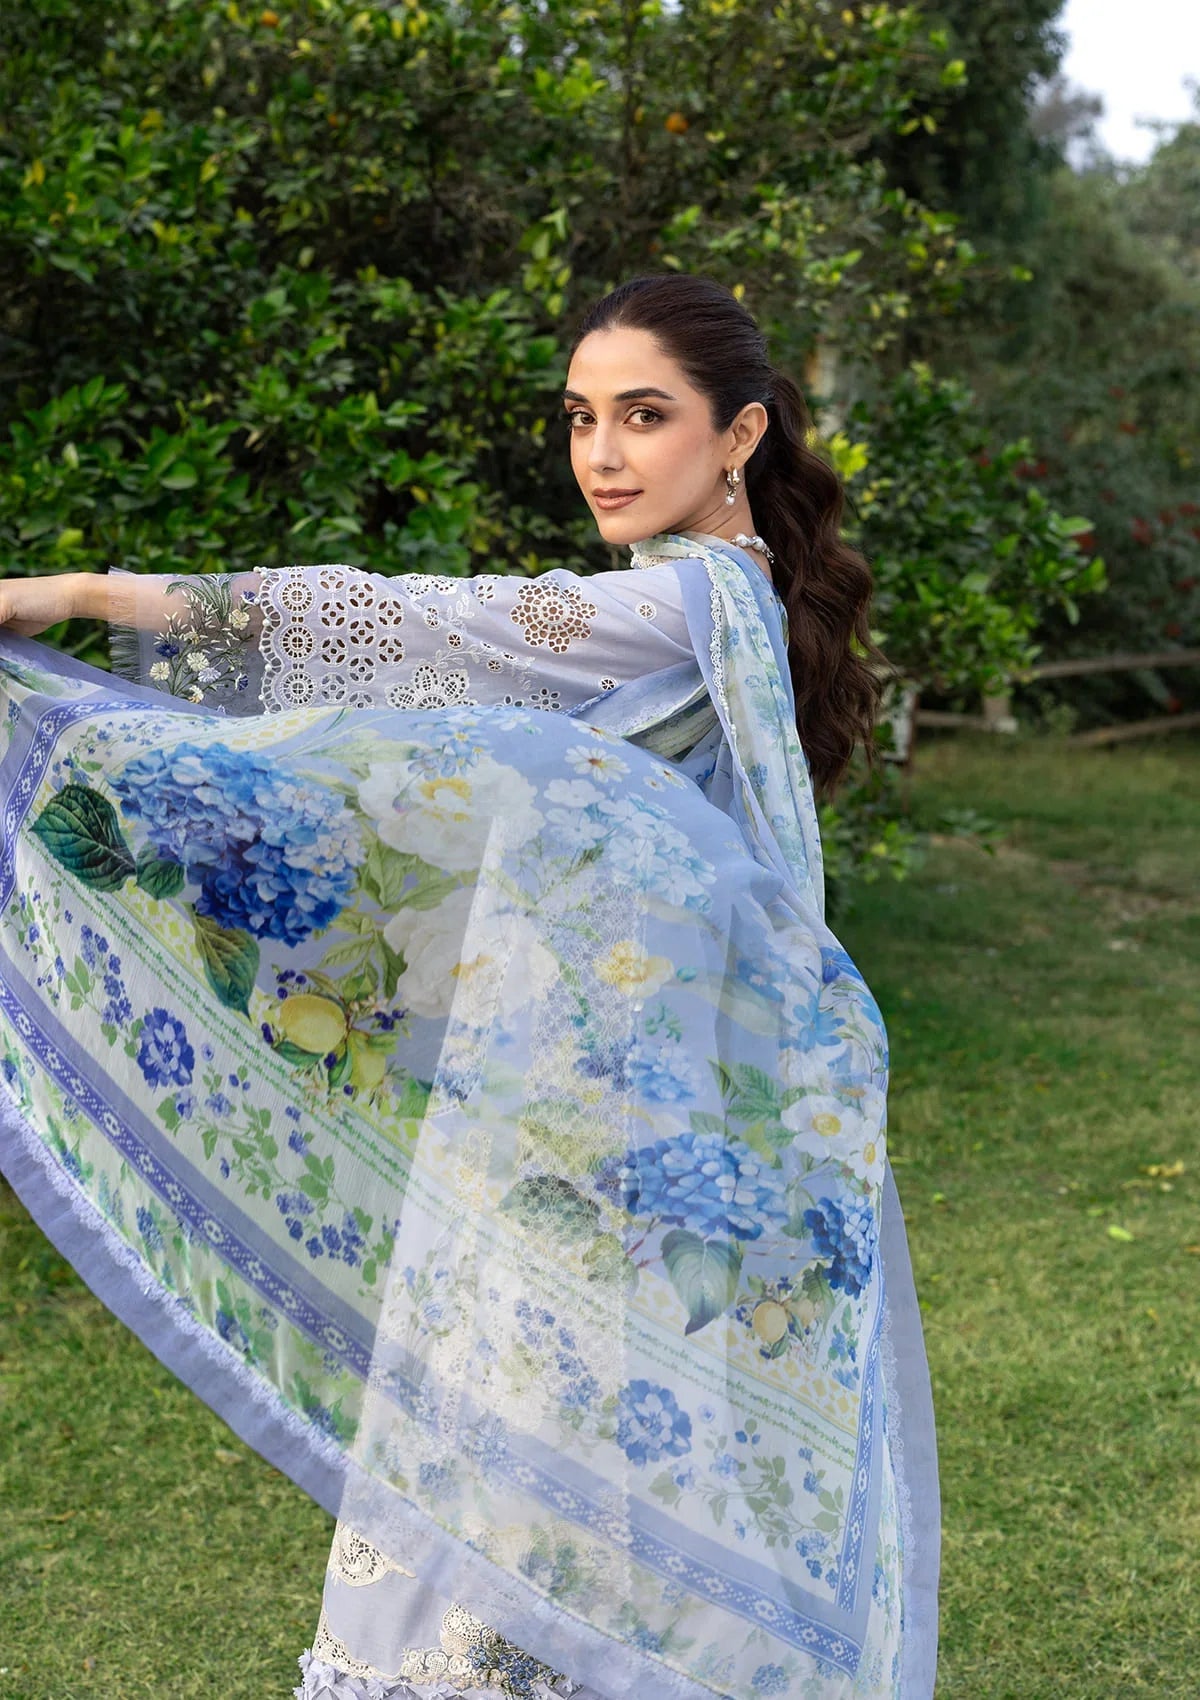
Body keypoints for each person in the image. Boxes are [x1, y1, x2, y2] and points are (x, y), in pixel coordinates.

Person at [0, 274, 939, 1700]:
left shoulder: (687, 603)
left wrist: (77, 597)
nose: (602, 455)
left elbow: (431, 627)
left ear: (740, 434)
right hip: (588, 1092)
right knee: (559, 1420)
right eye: (580, 418)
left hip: (605, 1119)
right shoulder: (710, 613)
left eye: (644, 417)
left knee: (526, 1412)